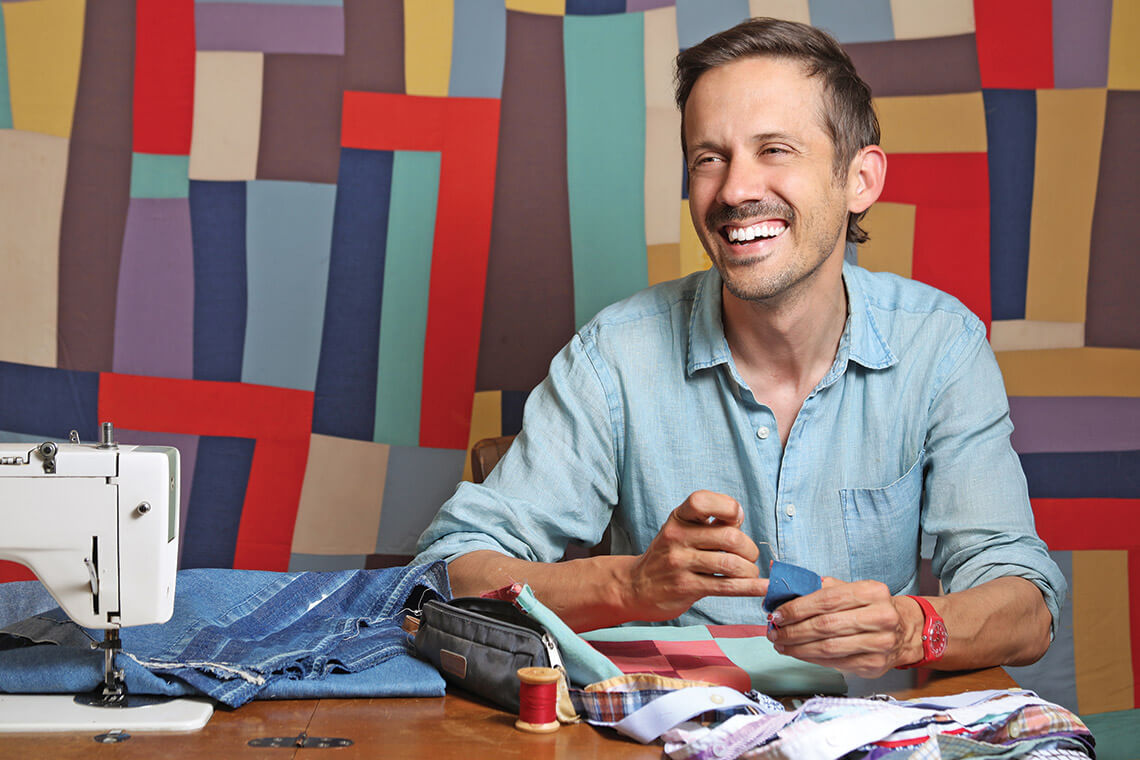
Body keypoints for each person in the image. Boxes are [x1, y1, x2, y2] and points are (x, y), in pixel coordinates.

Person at [414, 18, 1065, 678]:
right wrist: (630, 586)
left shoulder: (940, 346)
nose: (733, 191)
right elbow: (445, 571)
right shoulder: (613, 358)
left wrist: (912, 630)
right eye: (709, 158)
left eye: (775, 150)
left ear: (860, 180)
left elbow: (1027, 604)